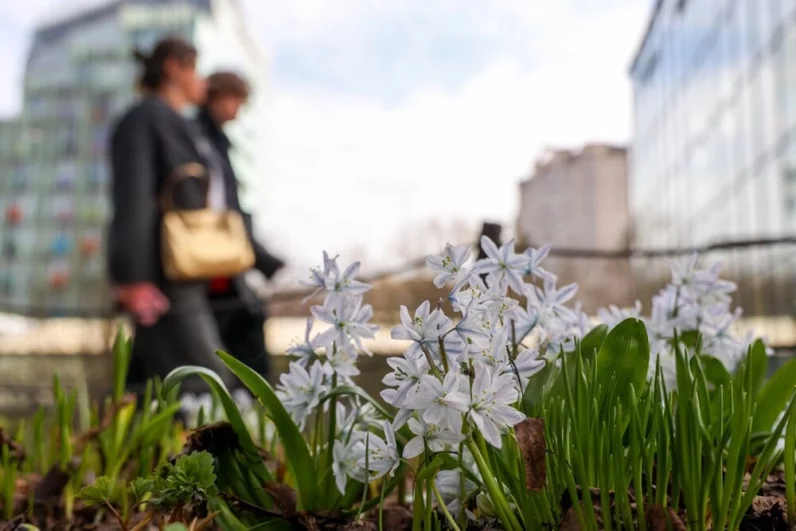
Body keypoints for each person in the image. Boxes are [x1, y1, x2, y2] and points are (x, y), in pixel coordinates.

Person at [107, 37, 235, 396]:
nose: (203, 82)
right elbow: (133, 196)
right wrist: (133, 278)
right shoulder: (145, 117)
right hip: (163, 276)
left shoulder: (176, 123)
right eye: (196, 70)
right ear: (175, 68)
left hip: (183, 272)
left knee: (154, 388)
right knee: (209, 383)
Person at [194, 71, 285, 382]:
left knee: (242, 329)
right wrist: (260, 256)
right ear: (219, 96)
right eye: (235, 101)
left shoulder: (217, 142)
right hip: (212, 263)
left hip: (222, 263)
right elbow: (224, 209)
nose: (237, 111)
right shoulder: (199, 138)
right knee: (237, 336)